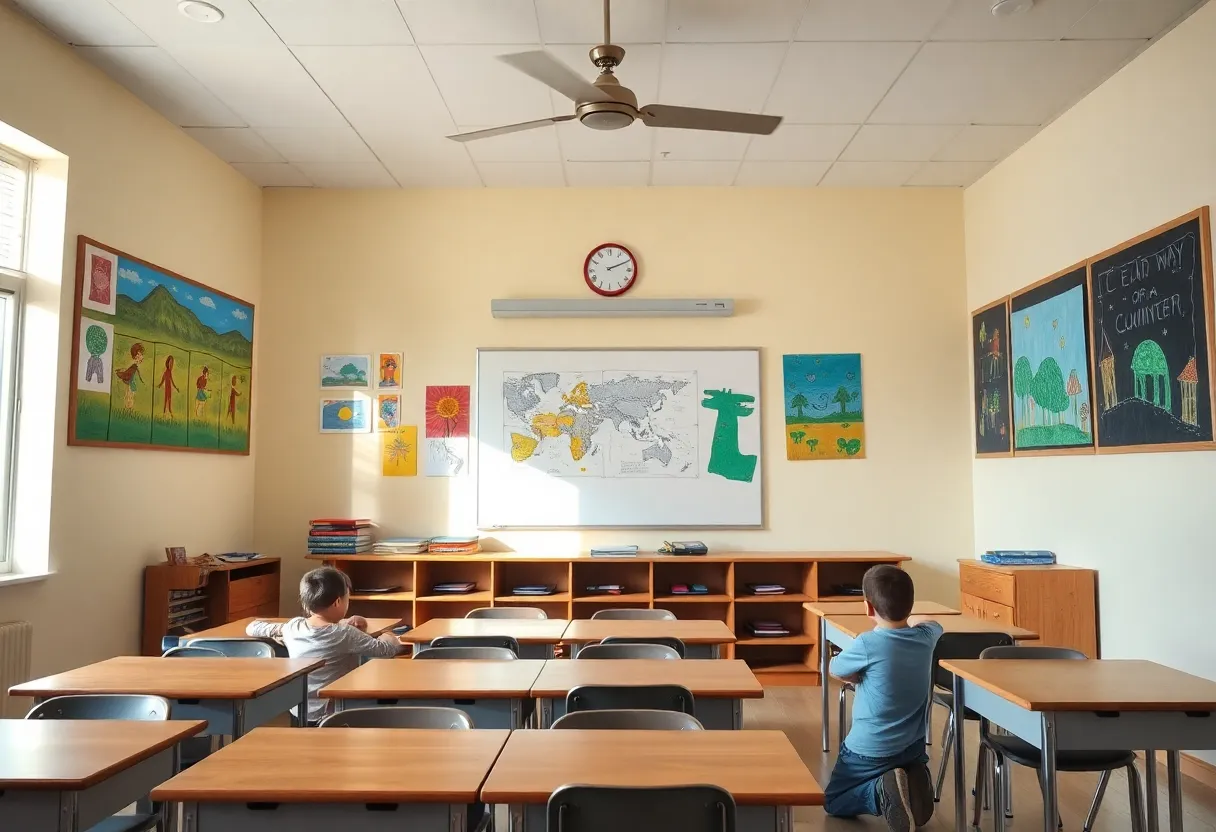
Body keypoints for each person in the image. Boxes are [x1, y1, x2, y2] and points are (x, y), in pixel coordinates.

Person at [824, 565, 943, 831]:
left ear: (868, 608)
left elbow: (835, 668)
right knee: (905, 762)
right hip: (912, 746)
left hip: (869, 750)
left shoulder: (867, 643)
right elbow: (933, 621)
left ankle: (879, 792)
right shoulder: (926, 637)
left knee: (833, 801)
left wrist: (854, 676)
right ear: (910, 605)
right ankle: (912, 779)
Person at [247, 567, 402, 725]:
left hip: (299, 712)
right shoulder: (345, 634)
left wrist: (280, 632)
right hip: (337, 715)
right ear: (337, 602)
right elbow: (386, 650)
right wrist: (388, 633)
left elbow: (253, 627)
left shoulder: (293, 627)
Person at [114, 343, 145, 410]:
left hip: (132, 381)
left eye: (141, 354)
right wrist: (122, 371)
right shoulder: (134, 364)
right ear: (136, 355)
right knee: (129, 394)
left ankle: (128, 407)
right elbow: (128, 370)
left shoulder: (135, 364)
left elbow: (134, 370)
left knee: (131, 394)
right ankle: (128, 407)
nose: (142, 357)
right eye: (140, 354)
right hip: (131, 381)